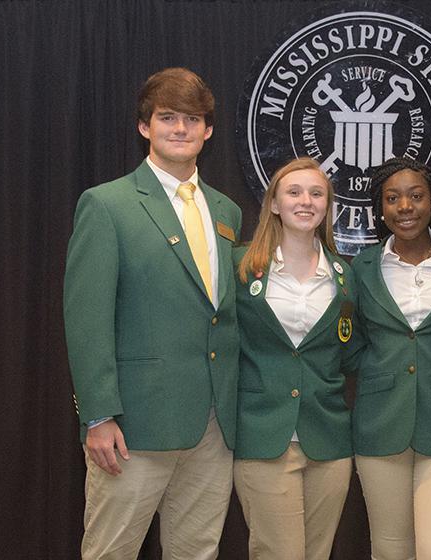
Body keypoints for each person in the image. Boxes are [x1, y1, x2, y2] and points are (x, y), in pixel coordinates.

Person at [63, 67, 241, 560]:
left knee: (197, 551)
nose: (180, 129)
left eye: (192, 119)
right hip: (133, 429)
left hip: (213, 425)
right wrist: (98, 416)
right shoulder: (106, 204)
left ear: (208, 130)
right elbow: (86, 318)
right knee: (111, 551)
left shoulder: (226, 211)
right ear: (145, 126)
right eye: (168, 117)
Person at [351, 157, 431, 559]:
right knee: (390, 551)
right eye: (392, 199)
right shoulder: (362, 268)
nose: (404, 207)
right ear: (381, 208)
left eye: (415, 196)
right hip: (380, 426)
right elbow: (351, 342)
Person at [232, 157, 356, 560]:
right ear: (273, 204)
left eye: (317, 193)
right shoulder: (242, 266)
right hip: (265, 436)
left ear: (327, 206)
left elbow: (349, 352)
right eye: (294, 192)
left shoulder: (344, 275)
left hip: (329, 441)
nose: (306, 201)